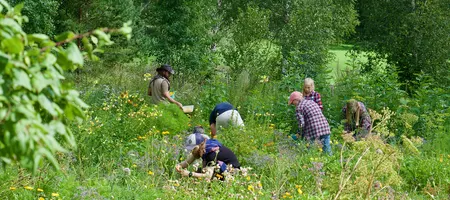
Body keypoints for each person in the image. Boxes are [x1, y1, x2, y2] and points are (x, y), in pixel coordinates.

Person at [175, 127, 241, 180]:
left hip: (230, 174)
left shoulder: (212, 153)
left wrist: (190, 174)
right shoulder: (201, 149)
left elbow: (208, 175)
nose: (192, 151)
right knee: (200, 171)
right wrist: (179, 166)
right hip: (219, 168)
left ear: (201, 145)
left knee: (210, 176)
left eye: (194, 148)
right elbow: (187, 162)